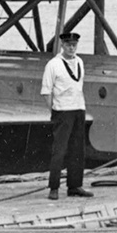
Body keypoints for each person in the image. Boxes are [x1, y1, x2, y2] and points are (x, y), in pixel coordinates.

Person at [40, 31, 91, 200]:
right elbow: (46, 91)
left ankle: (75, 186)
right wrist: (54, 111)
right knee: (59, 150)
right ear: (62, 45)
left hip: (78, 108)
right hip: (62, 111)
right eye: (68, 45)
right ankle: (54, 187)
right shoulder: (53, 65)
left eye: (74, 45)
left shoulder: (80, 62)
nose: (71, 48)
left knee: (78, 149)